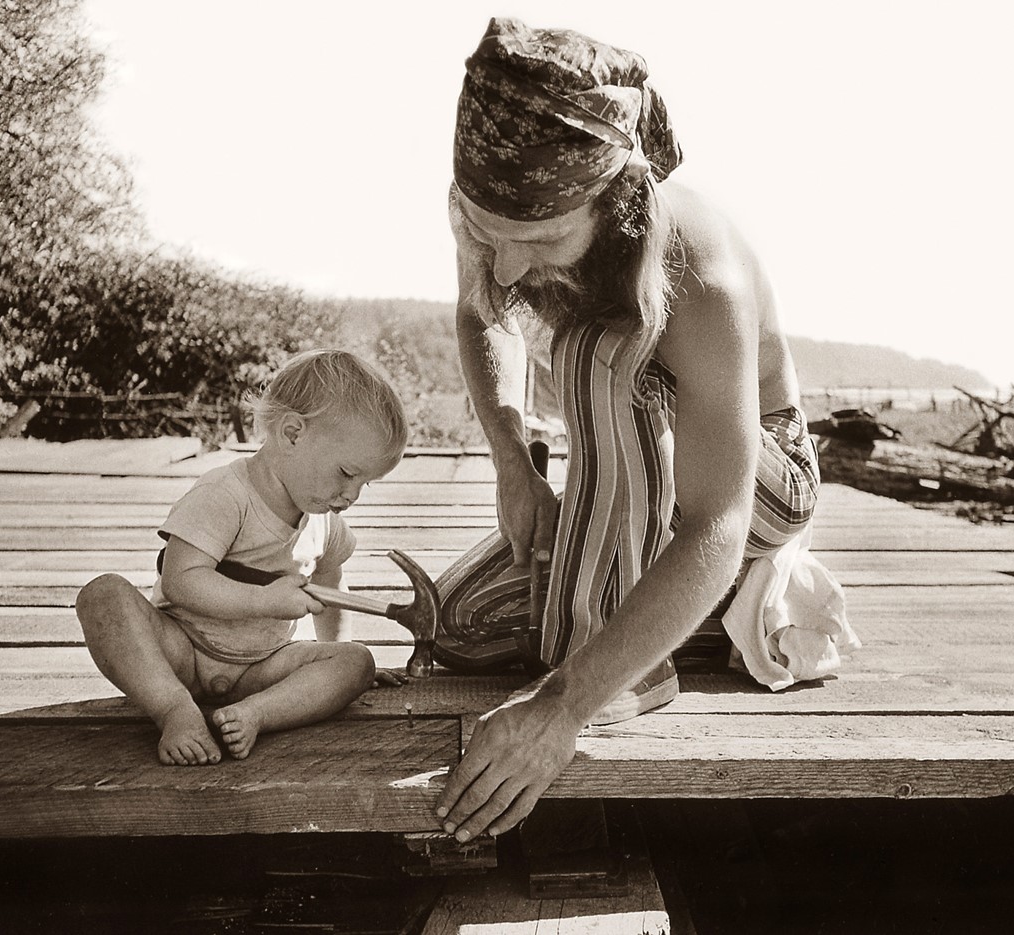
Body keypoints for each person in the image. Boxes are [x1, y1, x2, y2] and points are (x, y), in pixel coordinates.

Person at [432, 18, 825, 842]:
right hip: (635, 474)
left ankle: (628, 672)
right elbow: (484, 313)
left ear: (615, 203)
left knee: (599, 355)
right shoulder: (495, 207)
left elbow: (716, 517)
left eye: (540, 241)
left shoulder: (698, 269)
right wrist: (513, 460)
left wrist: (562, 704)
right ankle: (662, 614)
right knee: (460, 624)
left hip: (760, 479)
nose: (506, 265)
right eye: (484, 233)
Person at [76, 349, 409, 766]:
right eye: (346, 473)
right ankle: (173, 709)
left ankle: (254, 714)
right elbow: (181, 579)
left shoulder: (324, 519)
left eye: (366, 484)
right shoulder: (225, 495)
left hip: (261, 668)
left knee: (357, 661)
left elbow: (330, 590)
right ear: (292, 434)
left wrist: (334, 660)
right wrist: (266, 601)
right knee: (103, 596)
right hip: (180, 650)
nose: (353, 495)